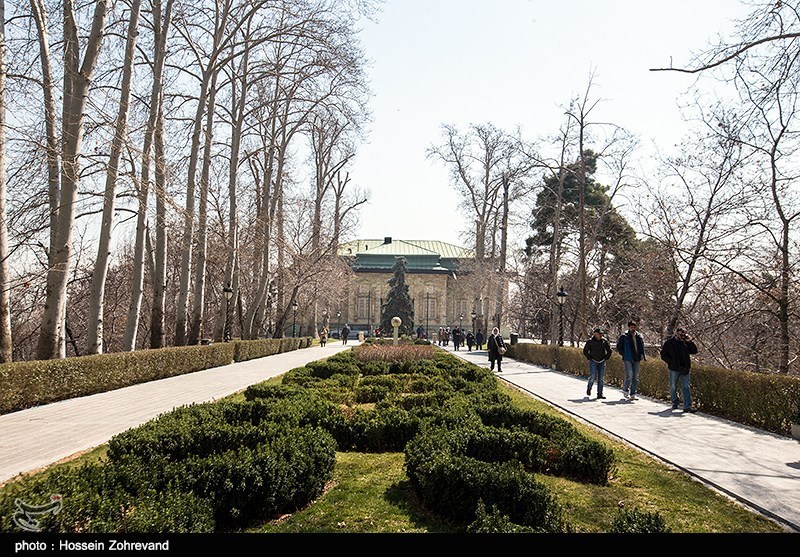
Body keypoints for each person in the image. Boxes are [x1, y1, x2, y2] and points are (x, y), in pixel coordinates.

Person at [660, 327, 699, 413]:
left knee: (686, 387)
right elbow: (663, 354)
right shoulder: (670, 343)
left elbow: (694, 351)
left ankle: (687, 406)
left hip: (685, 368)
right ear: (676, 333)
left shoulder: (686, 343)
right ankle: (675, 401)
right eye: (681, 334)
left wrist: (689, 341)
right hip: (674, 368)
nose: (682, 336)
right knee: (673, 387)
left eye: (684, 334)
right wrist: (670, 362)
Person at [616, 320, 646, 400]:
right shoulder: (624, 336)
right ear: (629, 327)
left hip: (637, 358)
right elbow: (619, 347)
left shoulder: (639, 336)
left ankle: (633, 393)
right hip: (628, 358)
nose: (633, 329)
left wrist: (642, 355)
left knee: (635, 377)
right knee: (630, 375)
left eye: (634, 327)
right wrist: (624, 354)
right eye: (631, 327)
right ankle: (625, 390)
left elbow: (641, 346)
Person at [583, 328, 612, 399]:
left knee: (601, 378)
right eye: (599, 334)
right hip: (593, 361)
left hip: (602, 361)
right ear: (595, 334)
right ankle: (589, 388)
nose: (601, 335)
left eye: (601, 334)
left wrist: (606, 358)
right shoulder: (590, 342)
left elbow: (609, 351)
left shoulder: (604, 341)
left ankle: (600, 394)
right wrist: (589, 358)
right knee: (593, 376)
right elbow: (585, 351)